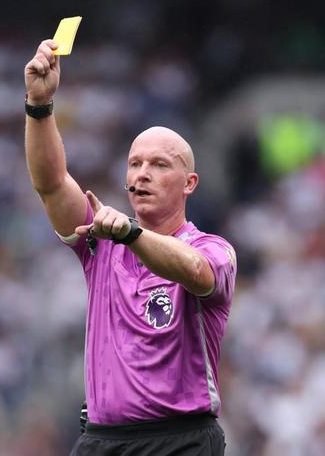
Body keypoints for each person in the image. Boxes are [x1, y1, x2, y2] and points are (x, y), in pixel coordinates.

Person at [24, 39, 236, 456]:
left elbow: (195, 272)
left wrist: (131, 235)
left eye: (160, 165)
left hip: (181, 441)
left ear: (189, 183)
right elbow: (51, 184)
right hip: (102, 441)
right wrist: (39, 105)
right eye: (135, 163)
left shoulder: (212, 249)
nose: (143, 174)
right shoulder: (102, 242)